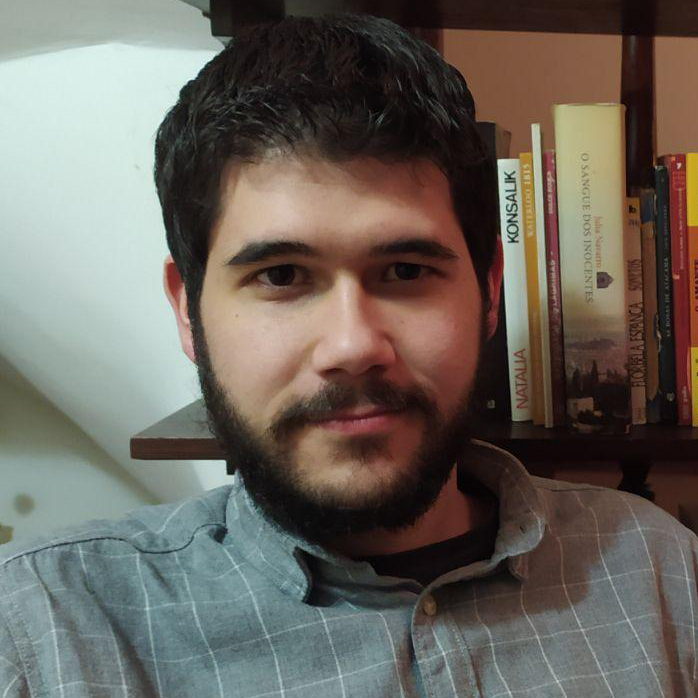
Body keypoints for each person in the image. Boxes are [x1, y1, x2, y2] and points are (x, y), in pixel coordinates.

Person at [1, 14, 696, 698]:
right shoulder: (44, 629)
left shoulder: (663, 571)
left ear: (489, 292)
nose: (354, 345)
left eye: (405, 271)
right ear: (188, 310)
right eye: (281, 276)